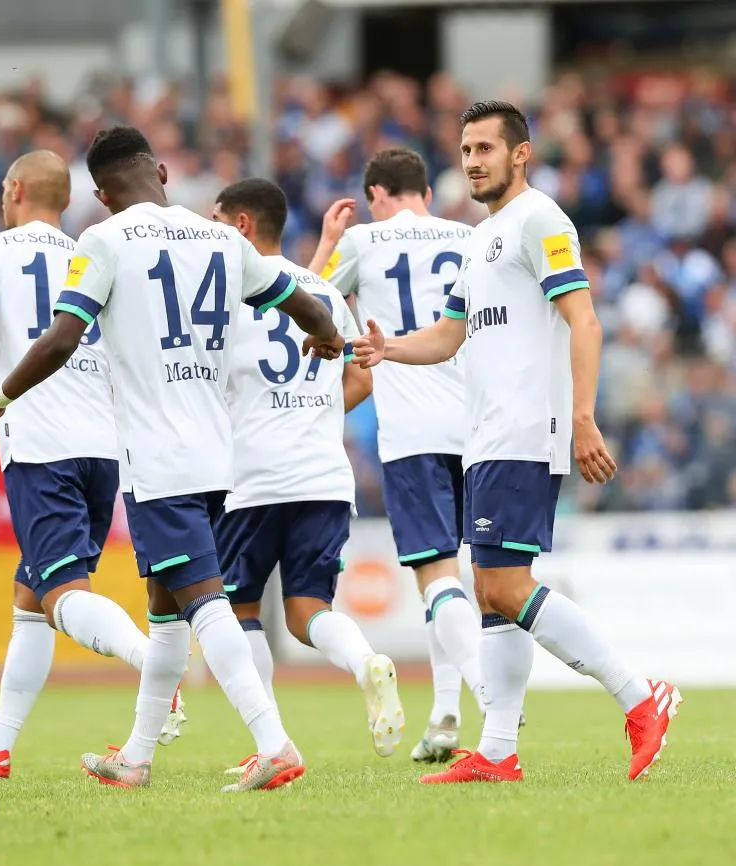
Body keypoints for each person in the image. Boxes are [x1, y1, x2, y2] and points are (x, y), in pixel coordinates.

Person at [0, 126, 345, 792]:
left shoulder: (104, 241)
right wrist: (329, 336)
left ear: (102, 193)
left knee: (205, 602)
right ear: (162, 172)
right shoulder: (223, 239)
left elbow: (61, 338)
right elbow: (297, 299)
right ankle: (137, 757)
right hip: (215, 453)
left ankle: (274, 741)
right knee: (166, 606)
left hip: (156, 456)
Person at [352, 101, 681, 784]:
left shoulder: (542, 221)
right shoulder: (480, 238)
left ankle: (639, 695)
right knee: (490, 591)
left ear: (521, 154)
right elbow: (448, 336)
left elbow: (584, 322)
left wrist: (584, 416)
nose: (472, 161)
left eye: (485, 149)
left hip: (528, 430)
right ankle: (498, 751)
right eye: (465, 150)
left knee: (503, 585)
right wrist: (388, 349)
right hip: (486, 437)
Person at [0, 151, 185, 781]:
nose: (0, 196)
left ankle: (154, 664)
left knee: (61, 592)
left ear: (16, 189)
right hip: (103, 444)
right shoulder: (94, 246)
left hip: (42, 442)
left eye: (2, 187)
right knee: (31, 597)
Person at [210, 178, 405, 762]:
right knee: (307, 610)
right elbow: (362, 378)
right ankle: (365, 661)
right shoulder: (321, 289)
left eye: (217, 219)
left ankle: (269, 739)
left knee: (239, 611)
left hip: (252, 478)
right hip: (323, 475)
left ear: (242, 225)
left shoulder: (221, 298)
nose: (209, 230)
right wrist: (312, 411)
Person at [308, 148, 484, 762]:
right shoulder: (469, 236)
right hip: (479, 428)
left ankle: (496, 702)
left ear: (376, 194)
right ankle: (444, 716)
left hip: (412, 429)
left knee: (436, 577)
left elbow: (305, 305)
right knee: (460, 582)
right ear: (426, 195)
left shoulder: (364, 239)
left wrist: (329, 242)